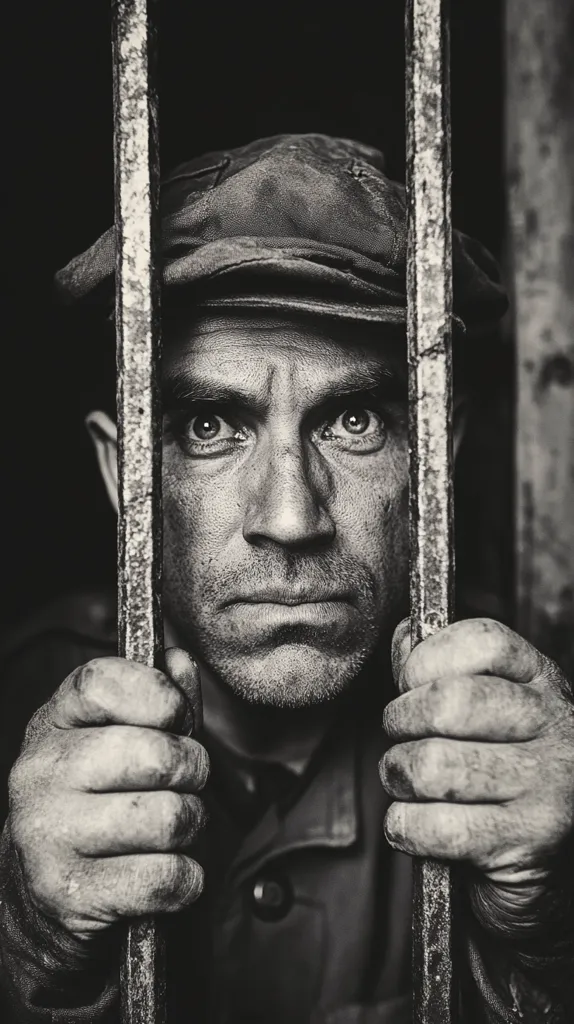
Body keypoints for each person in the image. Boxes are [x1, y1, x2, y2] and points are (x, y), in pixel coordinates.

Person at [0, 134, 572, 1024]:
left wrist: (554, 937)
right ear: (124, 479)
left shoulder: (525, 743)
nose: (293, 517)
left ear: (437, 460)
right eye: (209, 427)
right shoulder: (15, 707)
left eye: (352, 420)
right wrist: (30, 952)